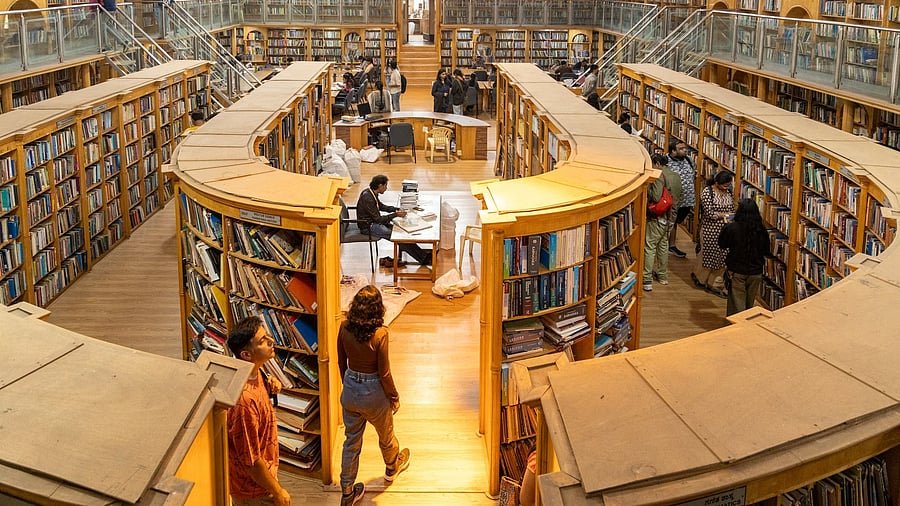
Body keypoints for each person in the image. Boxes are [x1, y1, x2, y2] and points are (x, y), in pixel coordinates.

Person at [338, 285, 411, 506]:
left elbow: (342, 362)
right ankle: (391, 467)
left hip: (350, 387)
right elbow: (384, 372)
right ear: (378, 309)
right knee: (386, 435)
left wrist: (349, 385)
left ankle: (347, 492)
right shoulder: (381, 334)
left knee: (351, 442)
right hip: (374, 392)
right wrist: (394, 396)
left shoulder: (343, 327)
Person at [226, 317, 291, 506]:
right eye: (262, 341)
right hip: (252, 490)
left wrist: (271, 387)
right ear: (246, 355)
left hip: (262, 480)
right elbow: (251, 461)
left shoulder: (257, 372)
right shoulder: (244, 402)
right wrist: (277, 491)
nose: (271, 342)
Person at [357, 175, 432, 267]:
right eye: (385, 186)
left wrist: (396, 209)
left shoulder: (371, 193)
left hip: (374, 222)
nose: (386, 188)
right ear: (380, 186)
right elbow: (378, 219)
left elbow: (381, 206)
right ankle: (423, 258)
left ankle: (422, 256)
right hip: (368, 226)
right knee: (398, 237)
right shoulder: (367, 198)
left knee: (401, 233)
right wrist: (395, 215)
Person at [718, 198, 770, 316]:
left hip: (737, 270)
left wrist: (725, 227)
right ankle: (745, 326)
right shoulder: (761, 230)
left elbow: (722, 244)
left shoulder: (733, 228)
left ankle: (736, 329)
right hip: (755, 271)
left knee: (736, 304)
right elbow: (766, 251)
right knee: (749, 303)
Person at [643, 153, 683, 291]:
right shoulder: (676, 176)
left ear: (657, 163)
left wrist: (648, 188)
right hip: (670, 217)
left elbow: (656, 196)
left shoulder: (658, 175)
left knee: (650, 246)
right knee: (663, 246)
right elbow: (678, 197)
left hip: (658, 217)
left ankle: (646, 279)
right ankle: (662, 276)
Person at [691, 170, 735, 298]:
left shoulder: (729, 192)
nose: (727, 188)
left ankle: (714, 282)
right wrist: (725, 215)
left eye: (728, 185)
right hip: (710, 229)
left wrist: (730, 216)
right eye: (724, 185)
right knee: (708, 254)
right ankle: (702, 279)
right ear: (717, 183)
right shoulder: (707, 192)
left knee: (722, 255)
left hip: (725, 229)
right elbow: (709, 213)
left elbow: (731, 207)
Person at [666, 140, 696, 258]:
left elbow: (692, 174)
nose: (685, 151)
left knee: (677, 222)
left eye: (684, 148)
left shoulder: (689, 160)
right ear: (673, 151)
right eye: (681, 149)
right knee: (671, 222)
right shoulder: (666, 162)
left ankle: (671, 245)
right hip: (674, 200)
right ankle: (670, 245)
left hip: (687, 200)